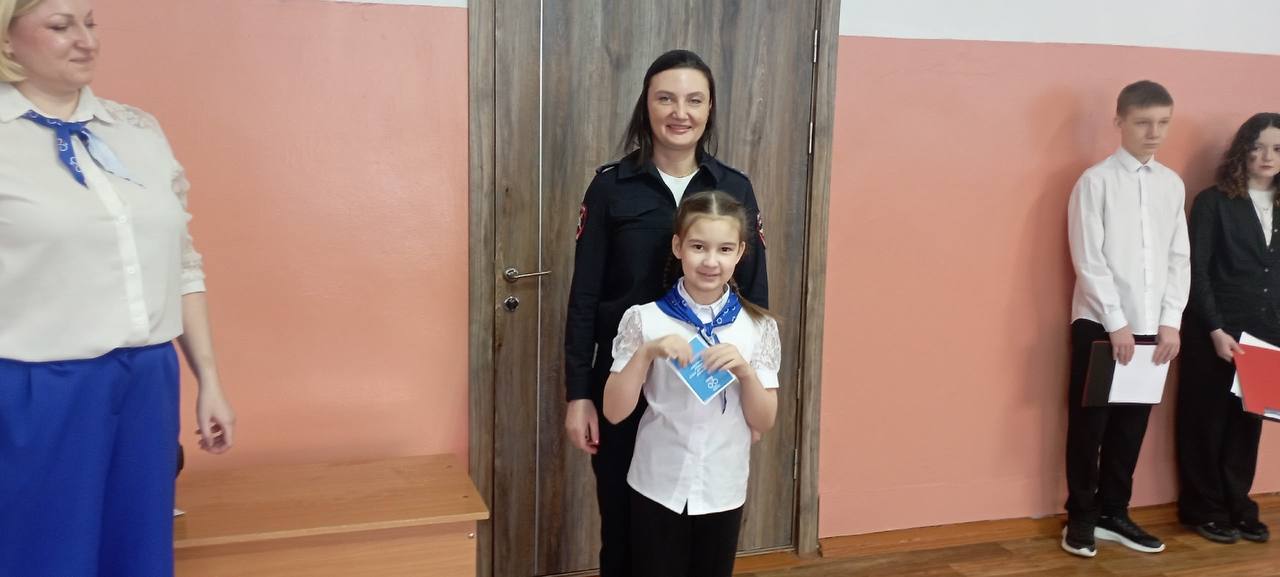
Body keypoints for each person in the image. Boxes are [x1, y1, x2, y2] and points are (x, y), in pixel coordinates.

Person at [0, 1, 235, 575]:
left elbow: (181, 263)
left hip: (148, 381)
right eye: (60, 26)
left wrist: (208, 379)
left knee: (136, 550)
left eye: (90, 22)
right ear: (6, 40)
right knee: (41, 553)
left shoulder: (137, 130)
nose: (86, 40)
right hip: (36, 386)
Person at [563, 49, 768, 576]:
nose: (680, 112)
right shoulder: (611, 187)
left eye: (694, 100)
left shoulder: (734, 188)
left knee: (699, 539)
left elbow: (754, 296)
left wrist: (753, 399)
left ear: (709, 108)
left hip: (705, 391)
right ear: (647, 106)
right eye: (666, 99)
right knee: (624, 534)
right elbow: (584, 297)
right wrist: (579, 394)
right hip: (625, 383)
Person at [602, 190, 779, 577]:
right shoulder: (645, 319)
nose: (711, 261)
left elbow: (764, 420)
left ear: (740, 252)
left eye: (724, 249)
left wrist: (745, 373)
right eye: (699, 246)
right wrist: (645, 354)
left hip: (722, 485)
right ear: (678, 246)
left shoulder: (758, 327)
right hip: (656, 482)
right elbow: (614, 412)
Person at [1062, 80, 1189, 558]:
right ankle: (1081, 516)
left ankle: (1115, 513)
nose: (1154, 132)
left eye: (1163, 123)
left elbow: (1179, 257)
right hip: (1100, 325)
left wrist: (1171, 321)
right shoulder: (1095, 182)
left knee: (1132, 426)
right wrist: (1116, 322)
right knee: (1090, 426)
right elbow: (1088, 258)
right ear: (1119, 122)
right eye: (1143, 122)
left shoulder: (1171, 184)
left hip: (1153, 328)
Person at [1176, 112, 1280, 545]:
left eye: (1277, 148)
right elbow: (1196, 271)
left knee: (1247, 426)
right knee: (1205, 422)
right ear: (1243, 151)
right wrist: (1215, 328)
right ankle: (1204, 509)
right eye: (1258, 147)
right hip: (1214, 330)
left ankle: (1239, 506)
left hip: (1268, 333)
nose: (1267, 156)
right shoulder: (1213, 202)